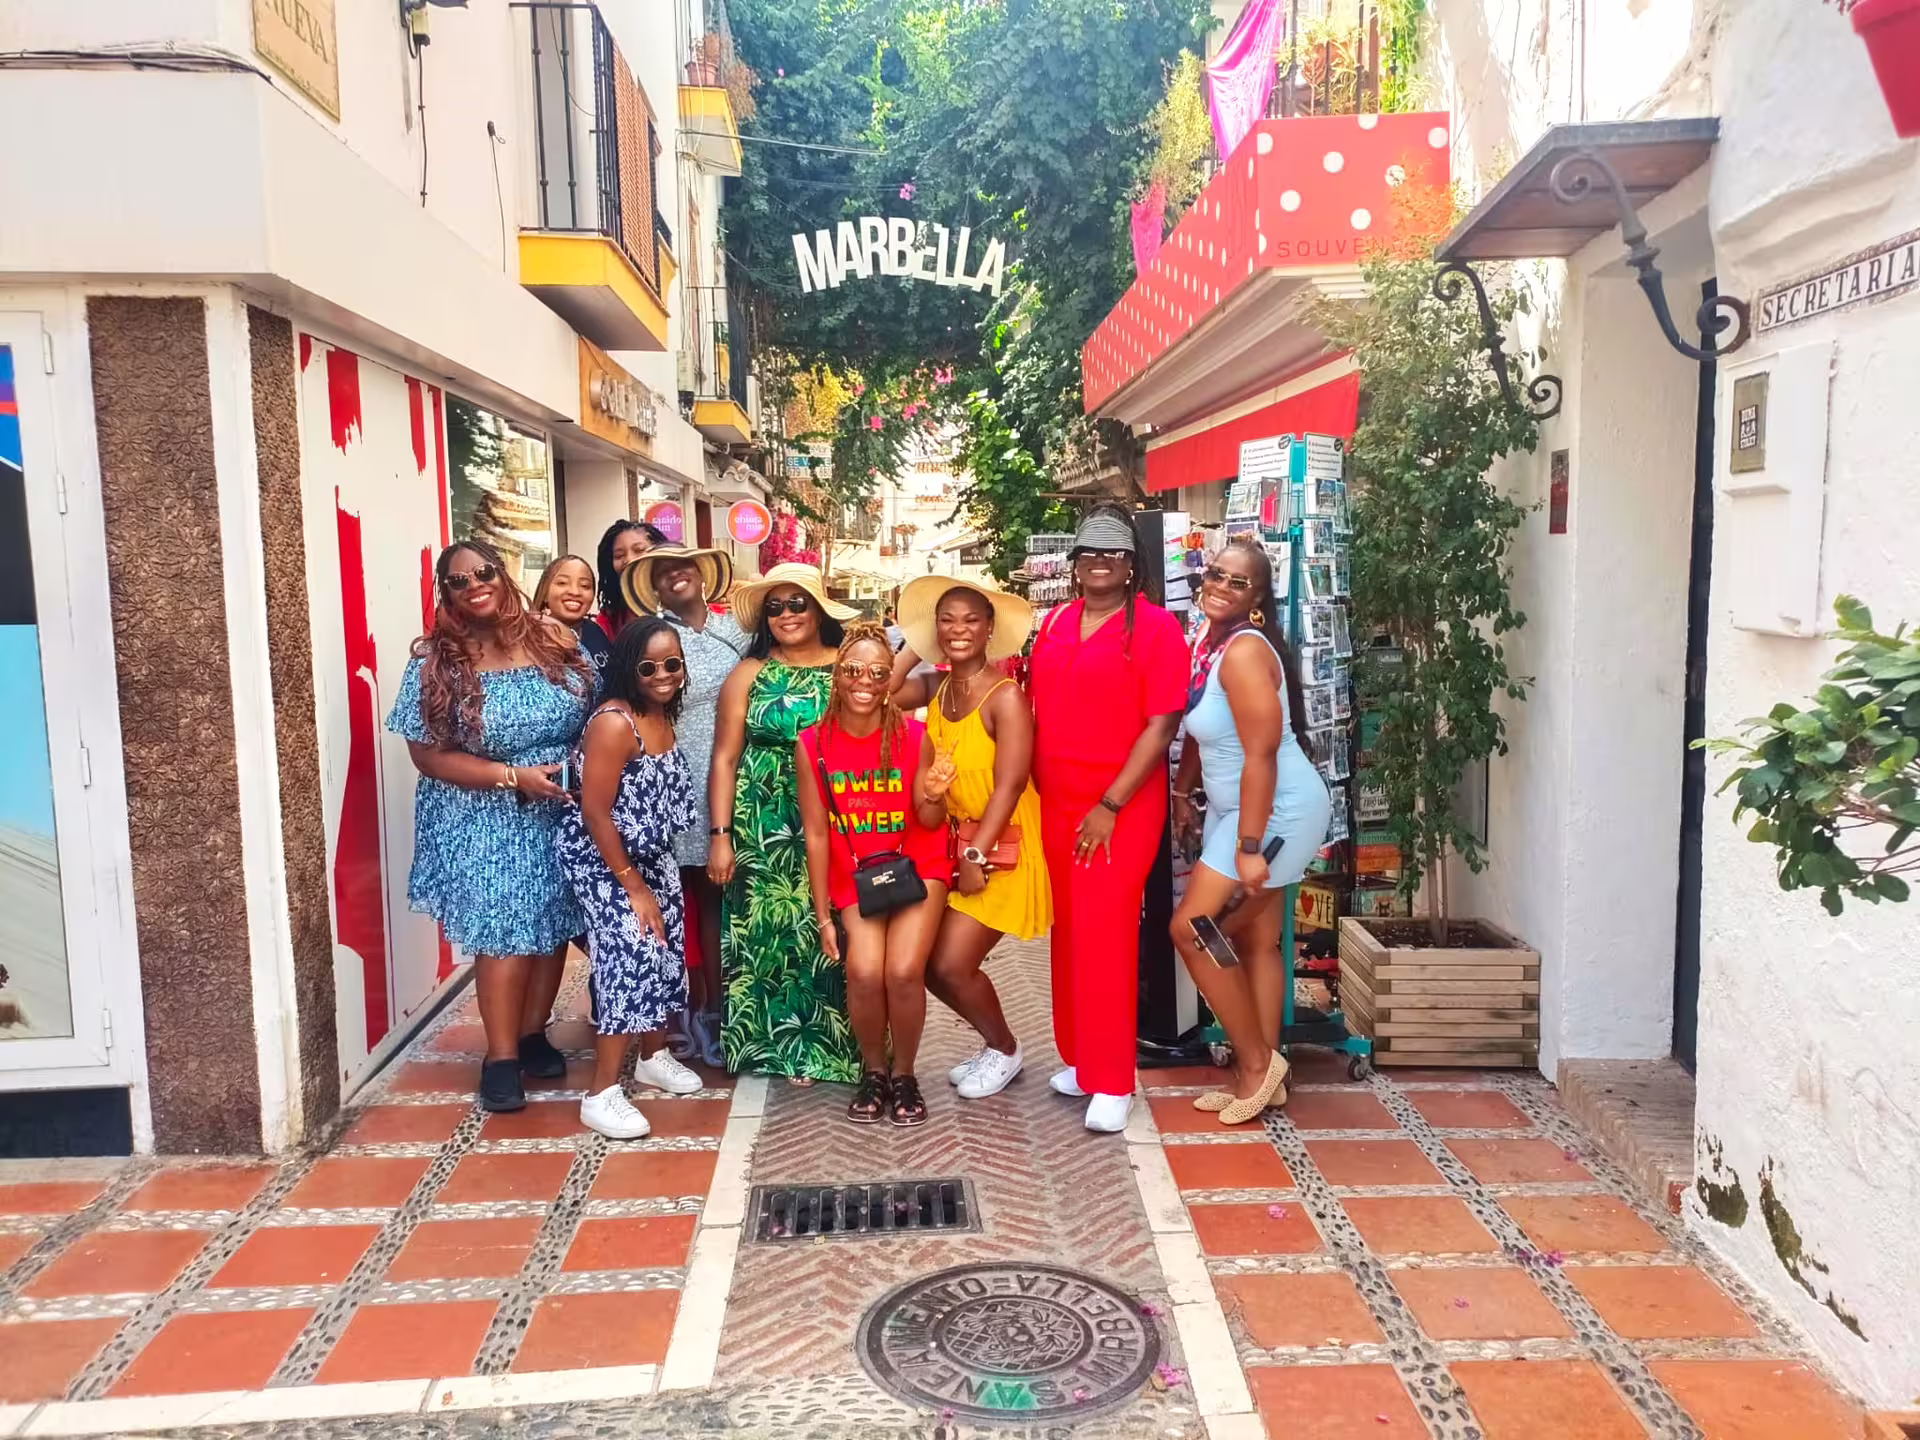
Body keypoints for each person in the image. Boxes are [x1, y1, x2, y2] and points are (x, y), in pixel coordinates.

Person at [387, 540, 594, 1112]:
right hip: (484, 811)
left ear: (502, 576)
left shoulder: (552, 638)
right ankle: (500, 1056)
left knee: (552, 921)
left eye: (483, 572)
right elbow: (427, 756)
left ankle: (532, 1034)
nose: (475, 584)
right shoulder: (437, 662)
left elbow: (600, 709)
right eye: (459, 581)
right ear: (446, 593)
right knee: (505, 932)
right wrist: (511, 777)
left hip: (560, 804)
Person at [1026, 506, 1189, 1132]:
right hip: (1058, 803)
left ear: (1130, 566)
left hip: (1118, 807)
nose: (1099, 563)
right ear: (1074, 564)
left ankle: (1115, 1078)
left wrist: (1110, 804)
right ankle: (1082, 1058)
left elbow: (1161, 727)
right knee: (1070, 933)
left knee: (1108, 934)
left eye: (1113, 555)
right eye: (1088, 553)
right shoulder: (1058, 621)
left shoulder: (1154, 630)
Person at [1171, 540, 1331, 1125]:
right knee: (1257, 943)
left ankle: (1255, 1066)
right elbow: (1201, 731)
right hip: (1237, 807)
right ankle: (1268, 1071)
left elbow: (1262, 753)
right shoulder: (1210, 646)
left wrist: (1248, 849)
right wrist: (1182, 791)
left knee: (1192, 929)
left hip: (1273, 811)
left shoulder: (1241, 652)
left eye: (1238, 582)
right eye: (1215, 574)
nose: (1220, 585)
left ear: (1258, 597)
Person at [890, 576, 1050, 1102]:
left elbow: (1012, 783)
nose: (959, 629)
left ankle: (1004, 1048)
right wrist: (915, 644)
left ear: (989, 631)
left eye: (970, 620)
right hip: (955, 844)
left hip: (1005, 845)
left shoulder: (1006, 698)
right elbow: (880, 690)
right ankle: (995, 1044)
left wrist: (980, 853)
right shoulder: (938, 688)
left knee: (949, 964)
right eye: (947, 620)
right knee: (929, 962)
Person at [707, 564, 861, 1084]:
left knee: (836, 926)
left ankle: (836, 1047)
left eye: (798, 603)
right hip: (763, 818)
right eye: (775, 607)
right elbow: (725, 758)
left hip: (837, 816)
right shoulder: (749, 674)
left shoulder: (846, 668)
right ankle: (780, 1049)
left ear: (819, 608)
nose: (787, 615)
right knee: (772, 933)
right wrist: (721, 837)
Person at [555, 617, 707, 1138]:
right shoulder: (615, 722)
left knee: (665, 951)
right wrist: (633, 887)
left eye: (673, 664)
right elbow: (596, 812)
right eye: (649, 666)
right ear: (627, 668)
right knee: (631, 954)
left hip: (650, 854)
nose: (663, 674)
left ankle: (653, 1055)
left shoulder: (662, 713)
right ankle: (600, 1094)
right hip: (605, 857)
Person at [797, 623, 952, 1124]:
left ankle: (905, 1074)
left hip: (916, 862)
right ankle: (875, 1071)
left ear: (890, 682)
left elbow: (929, 821)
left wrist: (933, 791)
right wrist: (823, 916)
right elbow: (817, 835)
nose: (865, 680)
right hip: (857, 870)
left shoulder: (915, 735)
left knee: (903, 971)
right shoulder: (814, 744)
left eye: (878, 673)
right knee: (864, 972)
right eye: (853, 670)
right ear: (837, 677)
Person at [622, 546, 743, 1066]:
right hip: (672, 776)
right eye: (663, 570)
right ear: (652, 583)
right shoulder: (653, 635)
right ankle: (686, 1013)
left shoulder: (736, 629)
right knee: (680, 902)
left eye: (685, 565)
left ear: (703, 573)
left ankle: (728, 1010)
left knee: (723, 903)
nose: (677, 574)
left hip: (734, 775)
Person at [533, 554, 611, 679]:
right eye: (562, 583)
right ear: (545, 593)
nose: (574, 592)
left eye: (585, 586)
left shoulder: (595, 631)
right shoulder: (530, 638)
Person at [594, 519, 666, 641]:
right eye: (619, 556)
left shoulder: (695, 605)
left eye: (639, 550)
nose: (629, 559)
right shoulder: (609, 620)